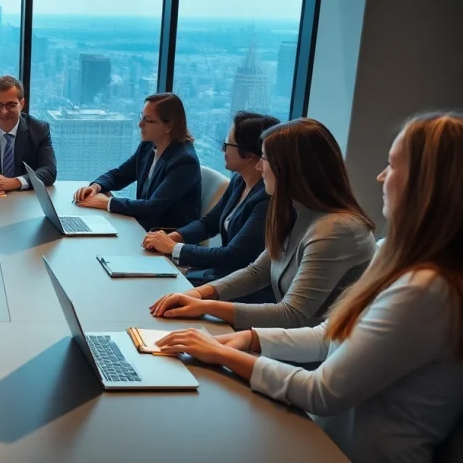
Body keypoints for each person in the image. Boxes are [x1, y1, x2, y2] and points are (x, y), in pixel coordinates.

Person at [154, 112, 463, 463]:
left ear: (428, 184)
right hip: (318, 434)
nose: (380, 177)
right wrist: (248, 339)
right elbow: (329, 333)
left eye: (391, 165)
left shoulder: (425, 290)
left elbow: (322, 390)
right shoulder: (388, 252)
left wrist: (222, 353)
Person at [149, 118, 376, 330]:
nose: (259, 167)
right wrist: (198, 295)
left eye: (265, 159)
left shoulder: (336, 230)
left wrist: (206, 305)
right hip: (277, 341)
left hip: (304, 359)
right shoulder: (294, 211)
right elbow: (258, 272)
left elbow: (293, 315)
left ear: (290, 168)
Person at [143, 111, 280, 287]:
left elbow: (232, 256)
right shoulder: (239, 181)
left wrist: (172, 248)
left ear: (250, 154)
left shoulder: (267, 200)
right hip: (218, 276)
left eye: (227, 144)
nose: (223, 150)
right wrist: (172, 238)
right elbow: (209, 223)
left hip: (238, 287)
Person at [74, 93, 201, 231]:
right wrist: (96, 187)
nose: (140, 124)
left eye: (148, 120)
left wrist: (107, 203)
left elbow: (153, 208)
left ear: (168, 126)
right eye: (142, 117)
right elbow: (120, 174)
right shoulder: (148, 146)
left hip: (165, 237)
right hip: (141, 227)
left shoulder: (185, 161)